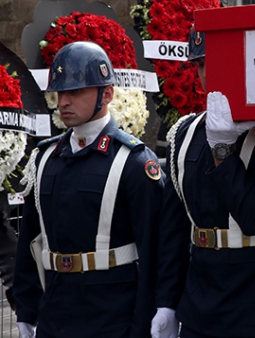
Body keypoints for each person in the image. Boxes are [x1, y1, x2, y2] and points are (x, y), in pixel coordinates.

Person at [150, 26, 255, 338]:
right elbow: (174, 228)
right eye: (199, 64)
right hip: (201, 302)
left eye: (215, 60)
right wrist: (167, 302)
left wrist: (223, 151)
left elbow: (254, 216)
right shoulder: (186, 133)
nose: (204, 73)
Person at [13, 41, 164, 338]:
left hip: (111, 314)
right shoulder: (45, 158)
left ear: (106, 94)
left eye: (76, 91)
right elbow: (29, 240)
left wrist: (147, 321)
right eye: (60, 92)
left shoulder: (133, 162)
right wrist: (26, 307)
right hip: (55, 311)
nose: (64, 101)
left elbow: (154, 254)